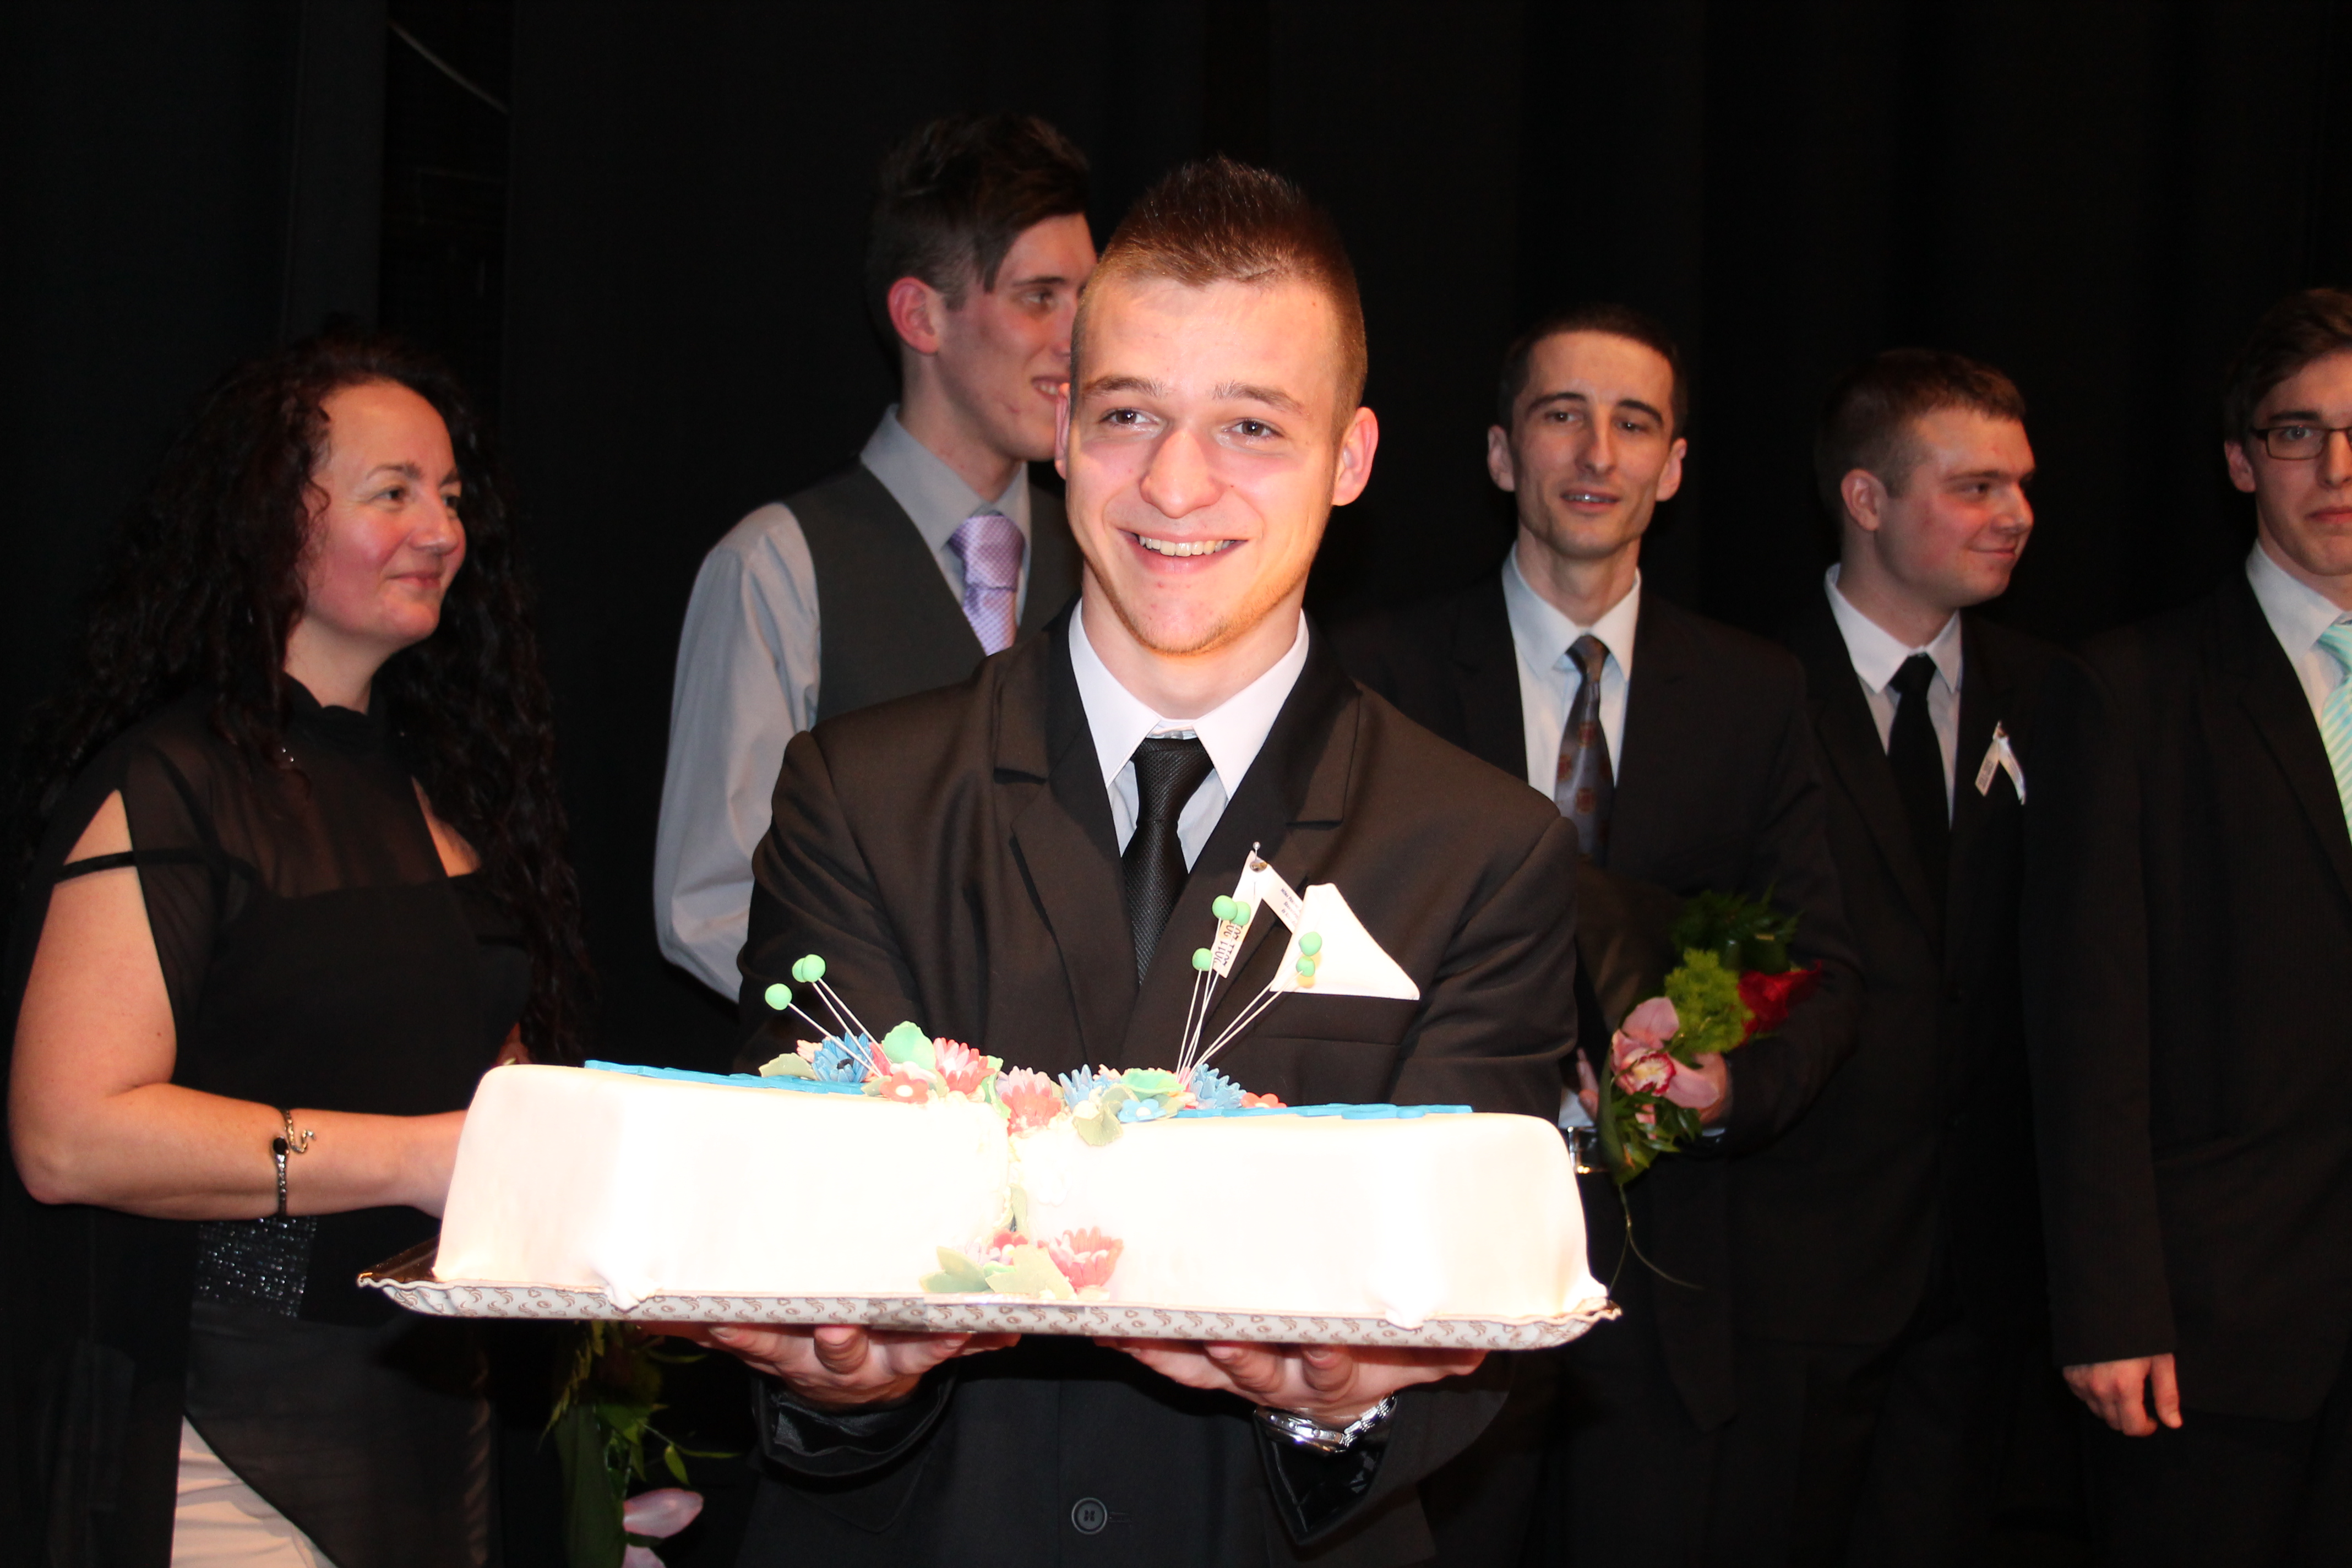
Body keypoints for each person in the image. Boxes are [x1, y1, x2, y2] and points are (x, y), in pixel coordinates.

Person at [682, 157, 1582, 1565]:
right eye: (1127, 414)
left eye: (1251, 426)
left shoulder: (1484, 851)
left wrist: (1341, 1405)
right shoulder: (859, 796)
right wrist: (837, 1381)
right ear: (1062, 425)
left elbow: (1462, 1311)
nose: (1174, 482)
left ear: (1351, 459)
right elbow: (814, 1257)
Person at [3, 332, 589, 1566]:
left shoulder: (446, 787)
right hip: (225, 1434)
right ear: (272, 520)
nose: (441, 530)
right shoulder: (173, 783)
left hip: (436, 1424)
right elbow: (66, 1136)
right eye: (394, 492)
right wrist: (419, 1157)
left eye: (451, 496)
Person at [1338, 303, 1858, 1562]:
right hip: (1440, 1273)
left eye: (1634, 423)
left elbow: (1814, 960)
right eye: (1561, 414)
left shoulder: (1755, 691)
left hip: (1670, 1293)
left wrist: (1726, 1076)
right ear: (1502, 451)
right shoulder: (1379, 673)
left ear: (1672, 467)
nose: (1597, 451)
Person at [1720, 349, 2072, 1561]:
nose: (2015, 515)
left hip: (1981, 1278)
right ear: (1865, 499)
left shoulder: (2058, 696)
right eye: (1976, 487)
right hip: (1791, 1267)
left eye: (2021, 486)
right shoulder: (1746, 691)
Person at [2026, 286, 2352, 1564]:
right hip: (2215, 1328)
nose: (2339, 466)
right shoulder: (2128, 692)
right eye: (2298, 432)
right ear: (2241, 461)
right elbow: (2087, 1028)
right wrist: (2109, 1304)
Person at [654, 111, 1095, 997]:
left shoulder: (1111, 556)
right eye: (1041, 296)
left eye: (1089, 296)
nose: (1080, 336)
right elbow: (714, 903)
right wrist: (906, 1048)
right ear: (920, 315)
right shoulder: (779, 568)